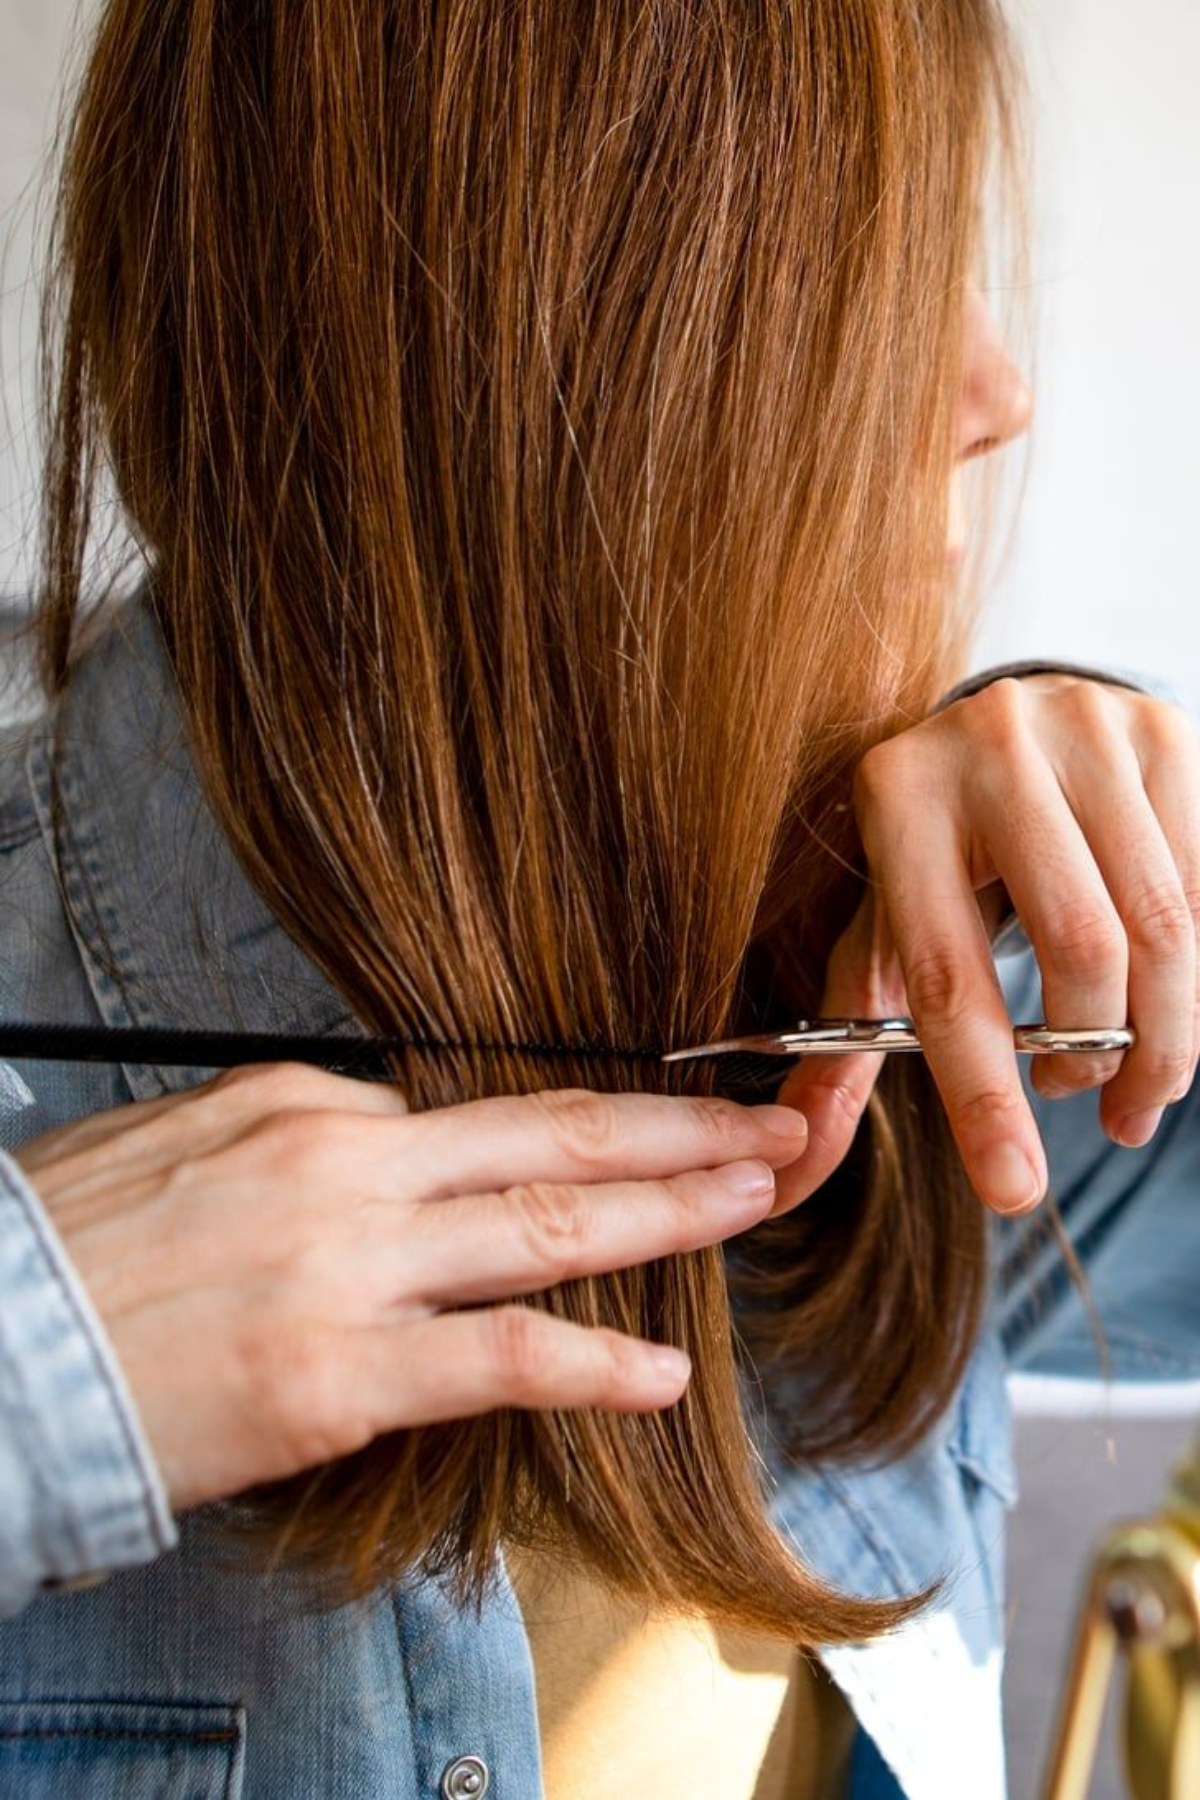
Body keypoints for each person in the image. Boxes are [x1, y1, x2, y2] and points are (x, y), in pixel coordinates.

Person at [1, 3, 1198, 1797]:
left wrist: (1135, 848)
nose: (993, 391)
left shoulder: (889, 1029)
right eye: (868, 280)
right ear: (550, 362)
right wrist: (36, 1378)